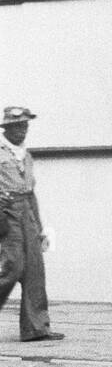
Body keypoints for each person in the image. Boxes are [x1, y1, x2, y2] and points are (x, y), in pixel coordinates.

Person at [0, 106, 63, 342]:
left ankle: (36, 328)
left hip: (26, 211)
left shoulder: (25, 155)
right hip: (6, 213)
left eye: (24, 126)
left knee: (35, 270)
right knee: (12, 267)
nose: (21, 131)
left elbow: (31, 193)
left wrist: (40, 228)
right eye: (16, 126)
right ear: (6, 128)